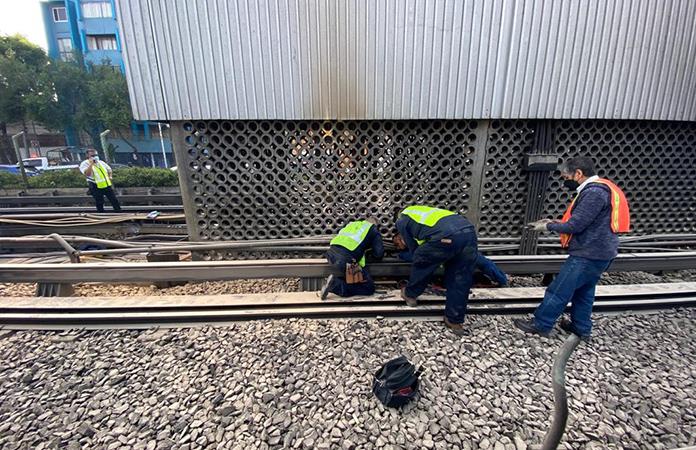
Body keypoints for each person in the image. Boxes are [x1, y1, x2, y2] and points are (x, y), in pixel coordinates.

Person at [514, 156, 630, 340]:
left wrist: (548, 226)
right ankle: (581, 328)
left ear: (578, 173)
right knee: (584, 292)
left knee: (559, 289)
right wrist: (554, 222)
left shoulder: (594, 193)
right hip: (602, 253)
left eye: (565, 177)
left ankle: (541, 324)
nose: (564, 181)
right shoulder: (604, 188)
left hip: (587, 253)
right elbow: (589, 222)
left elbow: (575, 226)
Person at [393, 205, 479, 336]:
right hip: (469, 232)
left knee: (420, 259)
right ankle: (454, 320)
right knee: (461, 277)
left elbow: (413, 248)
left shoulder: (401, 220)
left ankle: (410, 294)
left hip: (447, 235)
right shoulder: (421, 210)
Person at [320, 217, 384, 299]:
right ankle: (335, 285)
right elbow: (379, 254)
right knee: (368, 287)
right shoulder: (373, 229)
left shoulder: (352, 225)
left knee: (353, 278)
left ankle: (333, 282)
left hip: (330, 254)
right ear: (375, 225)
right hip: (346, 259)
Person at [79, 149, 122, 213]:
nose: (95, 156)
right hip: (95, 185)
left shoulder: (100, 162)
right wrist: (91, 164)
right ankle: (101, 214)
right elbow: (87, 174)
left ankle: (119, 212)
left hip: (106, 184)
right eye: (92, 155)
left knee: (114, 199)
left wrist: (110, 176)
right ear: (87, 155)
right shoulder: (84, 163)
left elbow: (109, 169)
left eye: (96, 155)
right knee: (99, 201)